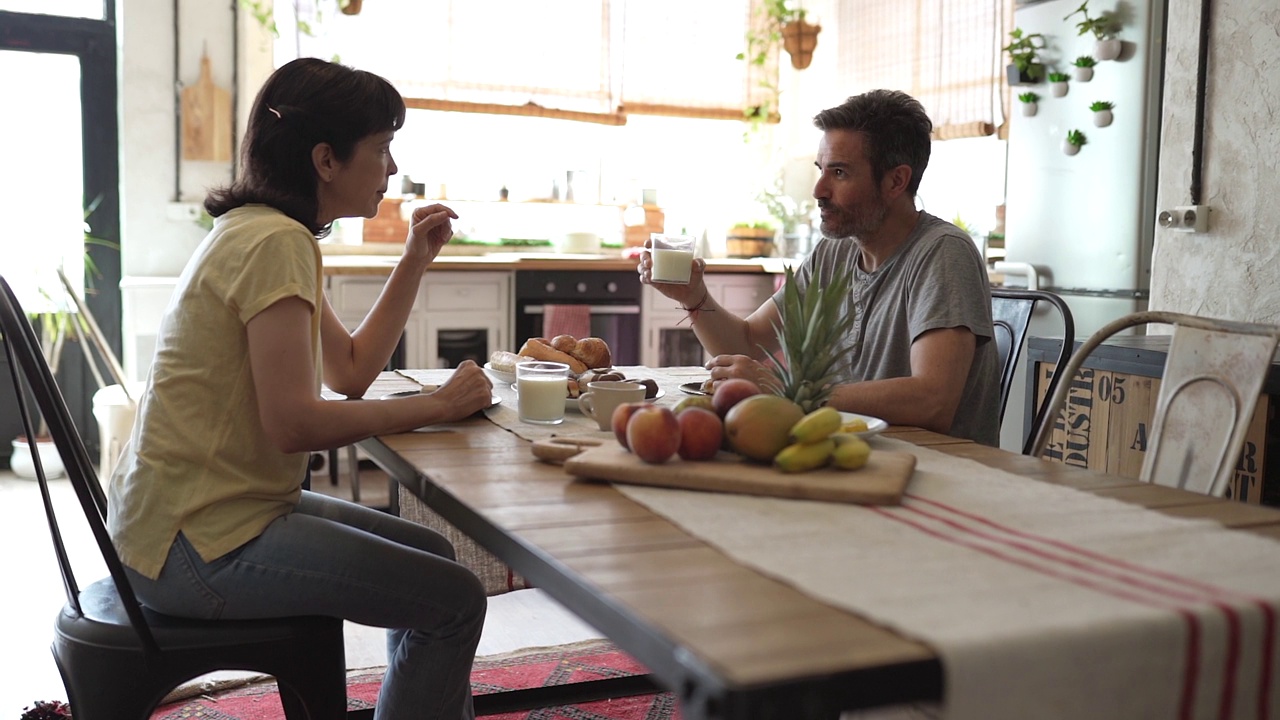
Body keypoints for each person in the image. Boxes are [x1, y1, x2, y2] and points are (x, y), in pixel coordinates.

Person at [106, 58, 492, 719]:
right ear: (325, 160)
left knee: (432, 553)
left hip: (184, 522)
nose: (393, 168)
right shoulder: (274, 243)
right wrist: (437, 405)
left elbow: (349, 370)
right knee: (455, 601)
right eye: (381, 148)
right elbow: (293, 425)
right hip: (196, 546)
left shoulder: (259, 230)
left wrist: (414, 260)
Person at [640, 90, 1000, 446]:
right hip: (853, 458)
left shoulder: (942, 253)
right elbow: (749, 344)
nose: (818, 189)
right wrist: (694, 296)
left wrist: (790, 391)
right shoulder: (833, 253)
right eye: (821, 170)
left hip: (943, 470)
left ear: (896, 181)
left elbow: (932, 400)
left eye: (840, 172)